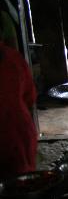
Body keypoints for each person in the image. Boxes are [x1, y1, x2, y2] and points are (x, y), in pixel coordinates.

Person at [0, 40, 37, 178]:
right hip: (19, 134)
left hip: (14, 136)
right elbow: (30, 97)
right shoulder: (12, 57)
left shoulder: (11, 57)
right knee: (22, 184)